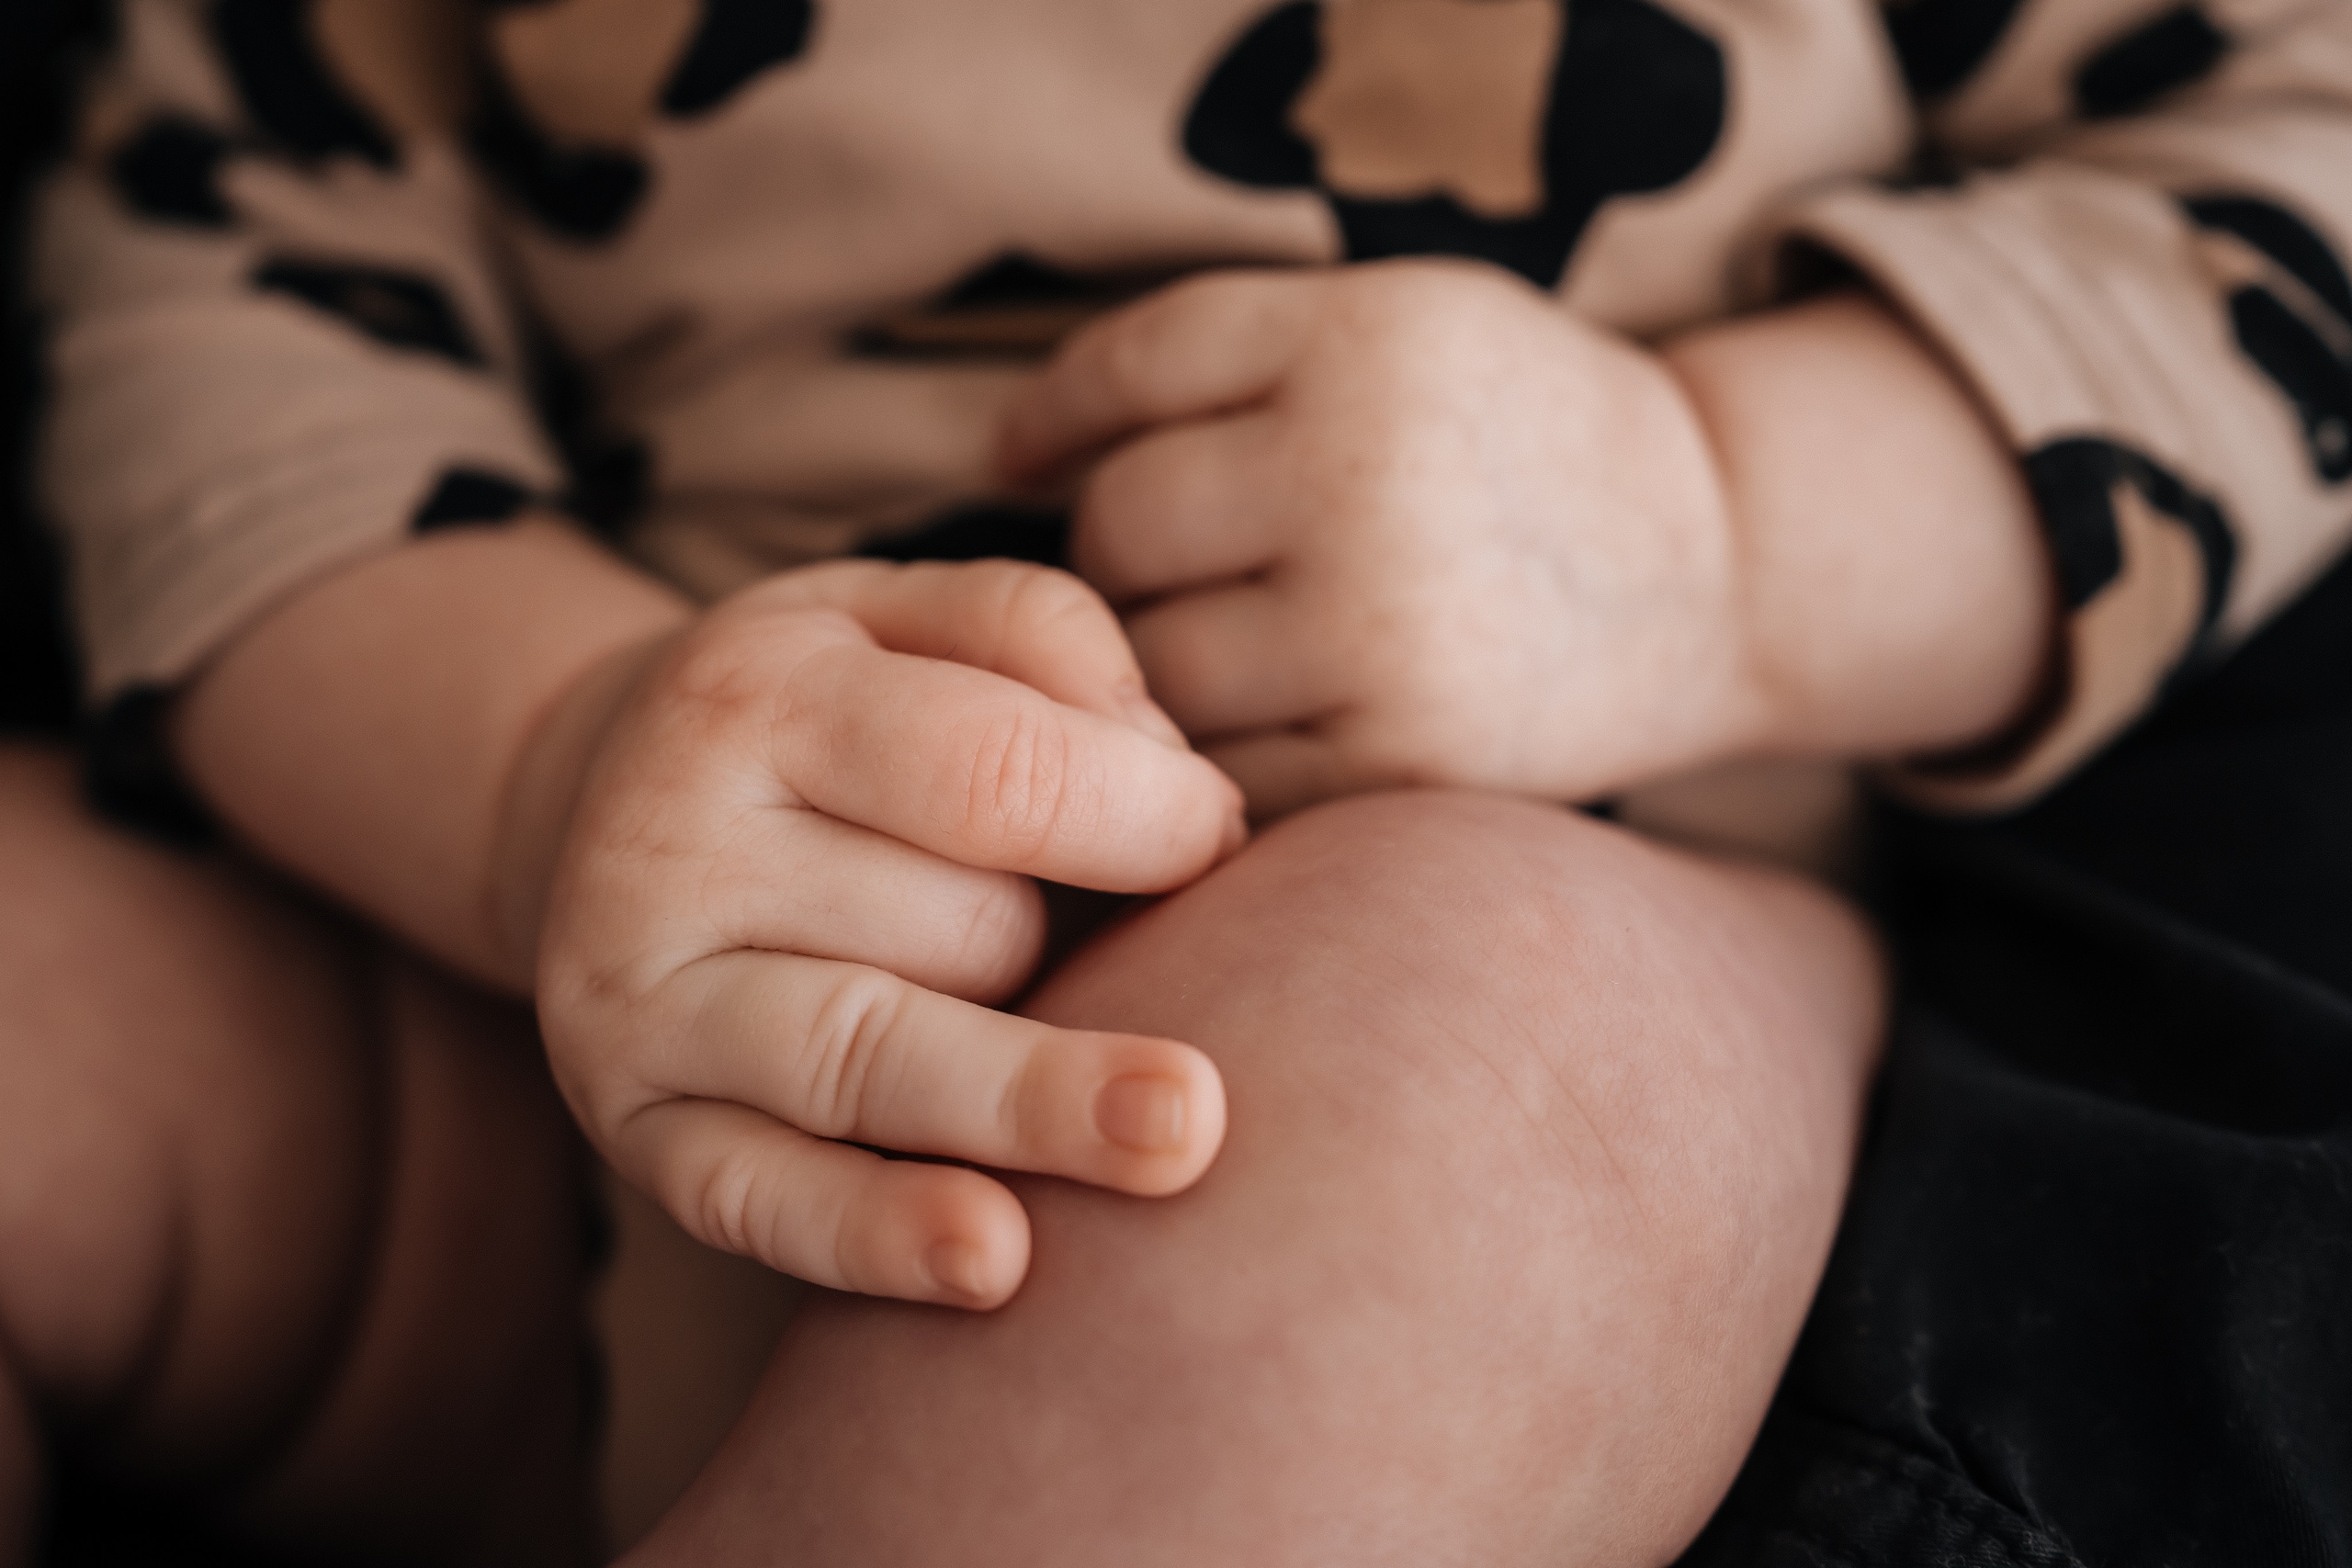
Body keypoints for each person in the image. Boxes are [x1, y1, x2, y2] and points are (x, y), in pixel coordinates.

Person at [4, 0, 2346, 1562]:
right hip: (549, 1095)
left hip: (1480, 936)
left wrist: (1718, 512)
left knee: (1468, 1034)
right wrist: (548, 762)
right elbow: (217, 347)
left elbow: (2303, 142)